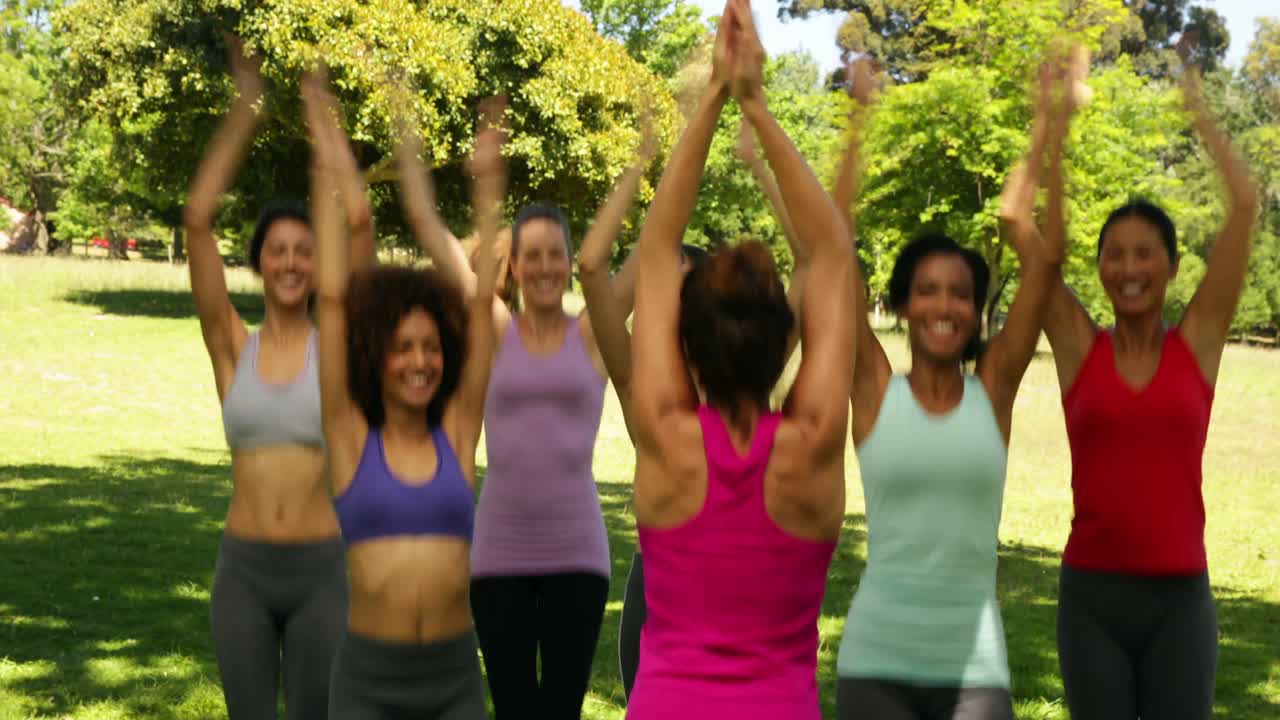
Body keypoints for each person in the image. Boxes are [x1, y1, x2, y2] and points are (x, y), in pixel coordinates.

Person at [623, 0, 854, 716]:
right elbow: (832, 254)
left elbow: (657, 251)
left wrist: (716, 97)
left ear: (686, 344)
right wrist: (756, 104)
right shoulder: (814, 444)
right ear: (785, 338)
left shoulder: (665, 438)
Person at [833, 54, 1072, 720]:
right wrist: (857, 121)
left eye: (961, 293)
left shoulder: (992, 390)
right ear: (903, 306)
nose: (945, 305)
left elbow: (1047, 259)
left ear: (977, 311)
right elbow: (830, 246)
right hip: (876, 664)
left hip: (975, 673)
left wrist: (1050, 125)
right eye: (928, 291)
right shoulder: (874, 389)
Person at [399, 82, 636, 720]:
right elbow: (430, 228)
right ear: (516, 264)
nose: (544, 267)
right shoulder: (495, 330)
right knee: (511, 708)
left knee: (558, 710)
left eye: (555, 255)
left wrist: (643, 160)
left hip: (578, 555)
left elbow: (654, 246)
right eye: (532, 256)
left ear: (571, 261)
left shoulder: (594, 335)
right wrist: (477, 169)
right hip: (499, 552)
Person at [1044, 59, 1259, 720]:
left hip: (1180, 602)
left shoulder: (1198, 343)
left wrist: (1200, 110)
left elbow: (1244, 205)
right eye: (1114, 253)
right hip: (1092, 600)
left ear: (1171, 264)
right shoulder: (1080, 348)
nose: (1129, 267)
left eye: (1145, 253)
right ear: (1099, 267)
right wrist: (1055, 125)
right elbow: (1037, 245)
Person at [585, 117, 807, 700]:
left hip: (757, 607)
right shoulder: (637, 382)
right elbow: (592, 269)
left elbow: (810, 265)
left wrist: (760, 165)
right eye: (664, 298)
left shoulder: (752, 372)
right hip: (660, 603)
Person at [184, 37, 372, 720]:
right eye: (278, 250)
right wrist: (246, 107)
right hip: (244, 573)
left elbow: (359, 222)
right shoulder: (232, 347)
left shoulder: (337, 349)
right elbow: (197, 220)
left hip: (321, 571)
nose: (292, 262)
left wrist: (327, 129)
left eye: (304, 251)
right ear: (260, 262)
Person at [310, 80, 503, 719]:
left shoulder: (458, 431)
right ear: (377, 356)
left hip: (453, 681)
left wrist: (486, 185)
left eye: (431, 347)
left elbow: (480, 297)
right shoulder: (349, 436)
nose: (420, 361)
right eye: (403, 348)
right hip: (369, 684)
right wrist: (327, 164)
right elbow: (332, 301)